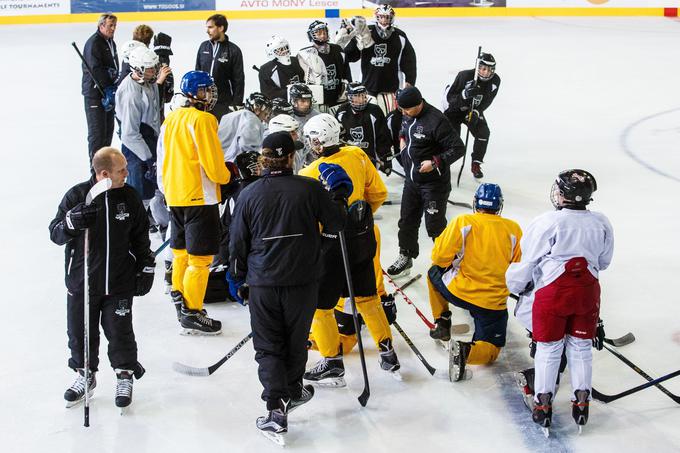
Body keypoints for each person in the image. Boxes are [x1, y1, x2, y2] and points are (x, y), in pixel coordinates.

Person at [228, 132, 347, 443]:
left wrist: (237, 279)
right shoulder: (310, 188)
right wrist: (338, 197)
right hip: (302, 282)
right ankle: (291, 391)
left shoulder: (249, 194)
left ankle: (276, 408)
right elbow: (337, 223)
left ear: (263, 158)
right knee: (295, 343)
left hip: (263, 283)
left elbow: (237, 242)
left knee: (269, 346)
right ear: (292, 157)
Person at [506, 169, 613, 432]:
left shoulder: (547, 222)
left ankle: (543, 405)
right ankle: (581, 402)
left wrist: (515, 285)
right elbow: (603, 262)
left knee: (548, 349)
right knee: (580, 347)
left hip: (553, 295)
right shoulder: (601, 222)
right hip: (588, 292)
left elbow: (528, 262)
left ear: (564, 195)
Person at [49, 147, 154, 410]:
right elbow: (55, 233)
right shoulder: (77, 196)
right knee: (80, 333)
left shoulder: (129, 197)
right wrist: (72, 223)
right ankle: (85, 375)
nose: (127, 174)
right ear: (104, 173)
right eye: (122, 171)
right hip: (82, 283)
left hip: (119, 283)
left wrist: (146, 266)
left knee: (120, 332)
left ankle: (125, 374)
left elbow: (141, 236)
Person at [299, 114, 400, 386]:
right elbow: (377, 194)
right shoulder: (357, 154)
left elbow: (309, 221)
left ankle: (332, 361)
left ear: (320, 141)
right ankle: (387, 350)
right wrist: (358, 220)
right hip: (363, 237)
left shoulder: (309, 174)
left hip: (331, 246)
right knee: (367, 298)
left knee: (321, 307)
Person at [157, 70, 236, 334]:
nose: (210, 95)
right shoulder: (203, 120)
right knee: (200, 259)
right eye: (205, 90)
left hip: (175, 195)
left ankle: (180, 298)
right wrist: (228, 176)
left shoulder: (171, 119)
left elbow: (164, 158)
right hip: (199, 198)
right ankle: (192, 311)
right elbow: (213, 165)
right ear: (194, 93)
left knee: (180, 253)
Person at [427, 183, 522, 381]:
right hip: (492, 302)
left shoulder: (463, 221)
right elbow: (519, 270)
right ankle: (465, 352)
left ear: (476, 203)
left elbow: (439, 258)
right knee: (491, 350)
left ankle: (442, 321)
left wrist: (453, 262)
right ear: (499, 206)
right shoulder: (513, 229)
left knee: (432, 273)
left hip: (459, 291)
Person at [387, 86, 465, 277]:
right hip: (412, 181)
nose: (404, 113)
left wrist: (435, 162)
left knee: (435, 226)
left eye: (407, 110)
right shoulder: (407, 114)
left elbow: (457, 148)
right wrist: (402, 139)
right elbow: (404, 129)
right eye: (402, 110)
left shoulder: (436, 120)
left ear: (419, 104)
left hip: (434, 185)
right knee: (407, 221)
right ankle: (406, 256)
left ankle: (447, 262)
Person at [341, 5, 416, 115]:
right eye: (381, 17)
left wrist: (410, 81)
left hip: (392, 88)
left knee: (390, 119)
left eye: (387, 17)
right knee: (369, 119)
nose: (384, 20)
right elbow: (351, 57)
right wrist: (351, 41)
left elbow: (409, 61)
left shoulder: (400, 36)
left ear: (392, 18)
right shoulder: (366, 32)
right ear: (376, 17)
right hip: (367, 87)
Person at [115, 46, 162, 202]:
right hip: (136, 150)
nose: (154, 71)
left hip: (149, 141)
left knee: (155, 189)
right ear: (138, 69)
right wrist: (148, 159)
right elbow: (129, 135)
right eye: (149, 69)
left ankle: (155, 220)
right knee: (139, 193)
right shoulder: (131, 95)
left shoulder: (150, 82)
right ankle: (142, 222)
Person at [443, 53, 500, 179]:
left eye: (490, 69)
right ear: (478, 67)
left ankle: (476, 163)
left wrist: (476, 112)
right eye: (484, 69)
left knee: (483, 133)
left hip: (472, 110)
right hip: (454, 110)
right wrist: (464, 95)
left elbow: (487, 101)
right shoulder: (465, 76)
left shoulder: (495, 81)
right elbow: (450, 98)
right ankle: (443, 163)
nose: (486, 73)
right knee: (452, 139)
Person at [81, 13, 119, 164]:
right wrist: (108, 87)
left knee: (107, 133)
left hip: (107, 92)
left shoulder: (109, 42)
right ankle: (95, 172)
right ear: (101, 26)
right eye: (110, 25)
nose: (113, 28)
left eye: (115, 25)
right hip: (95, 95)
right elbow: (96, 70)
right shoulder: (94, 43)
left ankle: (105, 167)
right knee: (97, 135)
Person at [335, 82, 393, 175]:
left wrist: (385, 157)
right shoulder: (342, 111)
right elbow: (337, 136)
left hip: (370, 159)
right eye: (357, 96)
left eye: (363, 95)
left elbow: (383, 136)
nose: (361, 99)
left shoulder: (374, 111)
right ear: (349, 97)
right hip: (349, 158)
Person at [195, 14, 245, 120]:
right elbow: (197, 73)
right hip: (203, 101)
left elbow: (239, 80)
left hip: (224, 104)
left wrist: (236, 103)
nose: (207, 31)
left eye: (211, 27)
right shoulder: (203, 47)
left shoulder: (234, 50)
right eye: (207, 27)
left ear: (221, 28)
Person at [299, 20, 351, 111]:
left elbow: (346, 72)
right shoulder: (306, 55)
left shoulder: (337, 49)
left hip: (339, 98)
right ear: (311, 35)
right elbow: (303, 80)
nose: (323, 35)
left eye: (324, 32)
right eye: (318, 33)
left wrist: (348, 89)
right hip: (319, 102)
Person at [218, 92, 272, 162]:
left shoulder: (228, 116)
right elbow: (247, 149)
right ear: (257, 109)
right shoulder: (253, 119)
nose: (267, 115)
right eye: (266, 110)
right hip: (232, 164)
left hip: (218, 160)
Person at [258, 35, 305, 101]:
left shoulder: (295, 61)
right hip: (280, 105)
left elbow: (304, 81)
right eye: (280, 49)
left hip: (300, 102)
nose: (285, 51)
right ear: (271, 52)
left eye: (286, 47)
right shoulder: (266, 69)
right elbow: (268, 94)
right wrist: (289, 92)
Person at [289, 83, 320, 172]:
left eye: (308, 100)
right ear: (294, 101)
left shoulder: (317, 116)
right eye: (302, 101)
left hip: (314, 161)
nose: (306, 104)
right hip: (295, 160)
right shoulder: (288, 117)